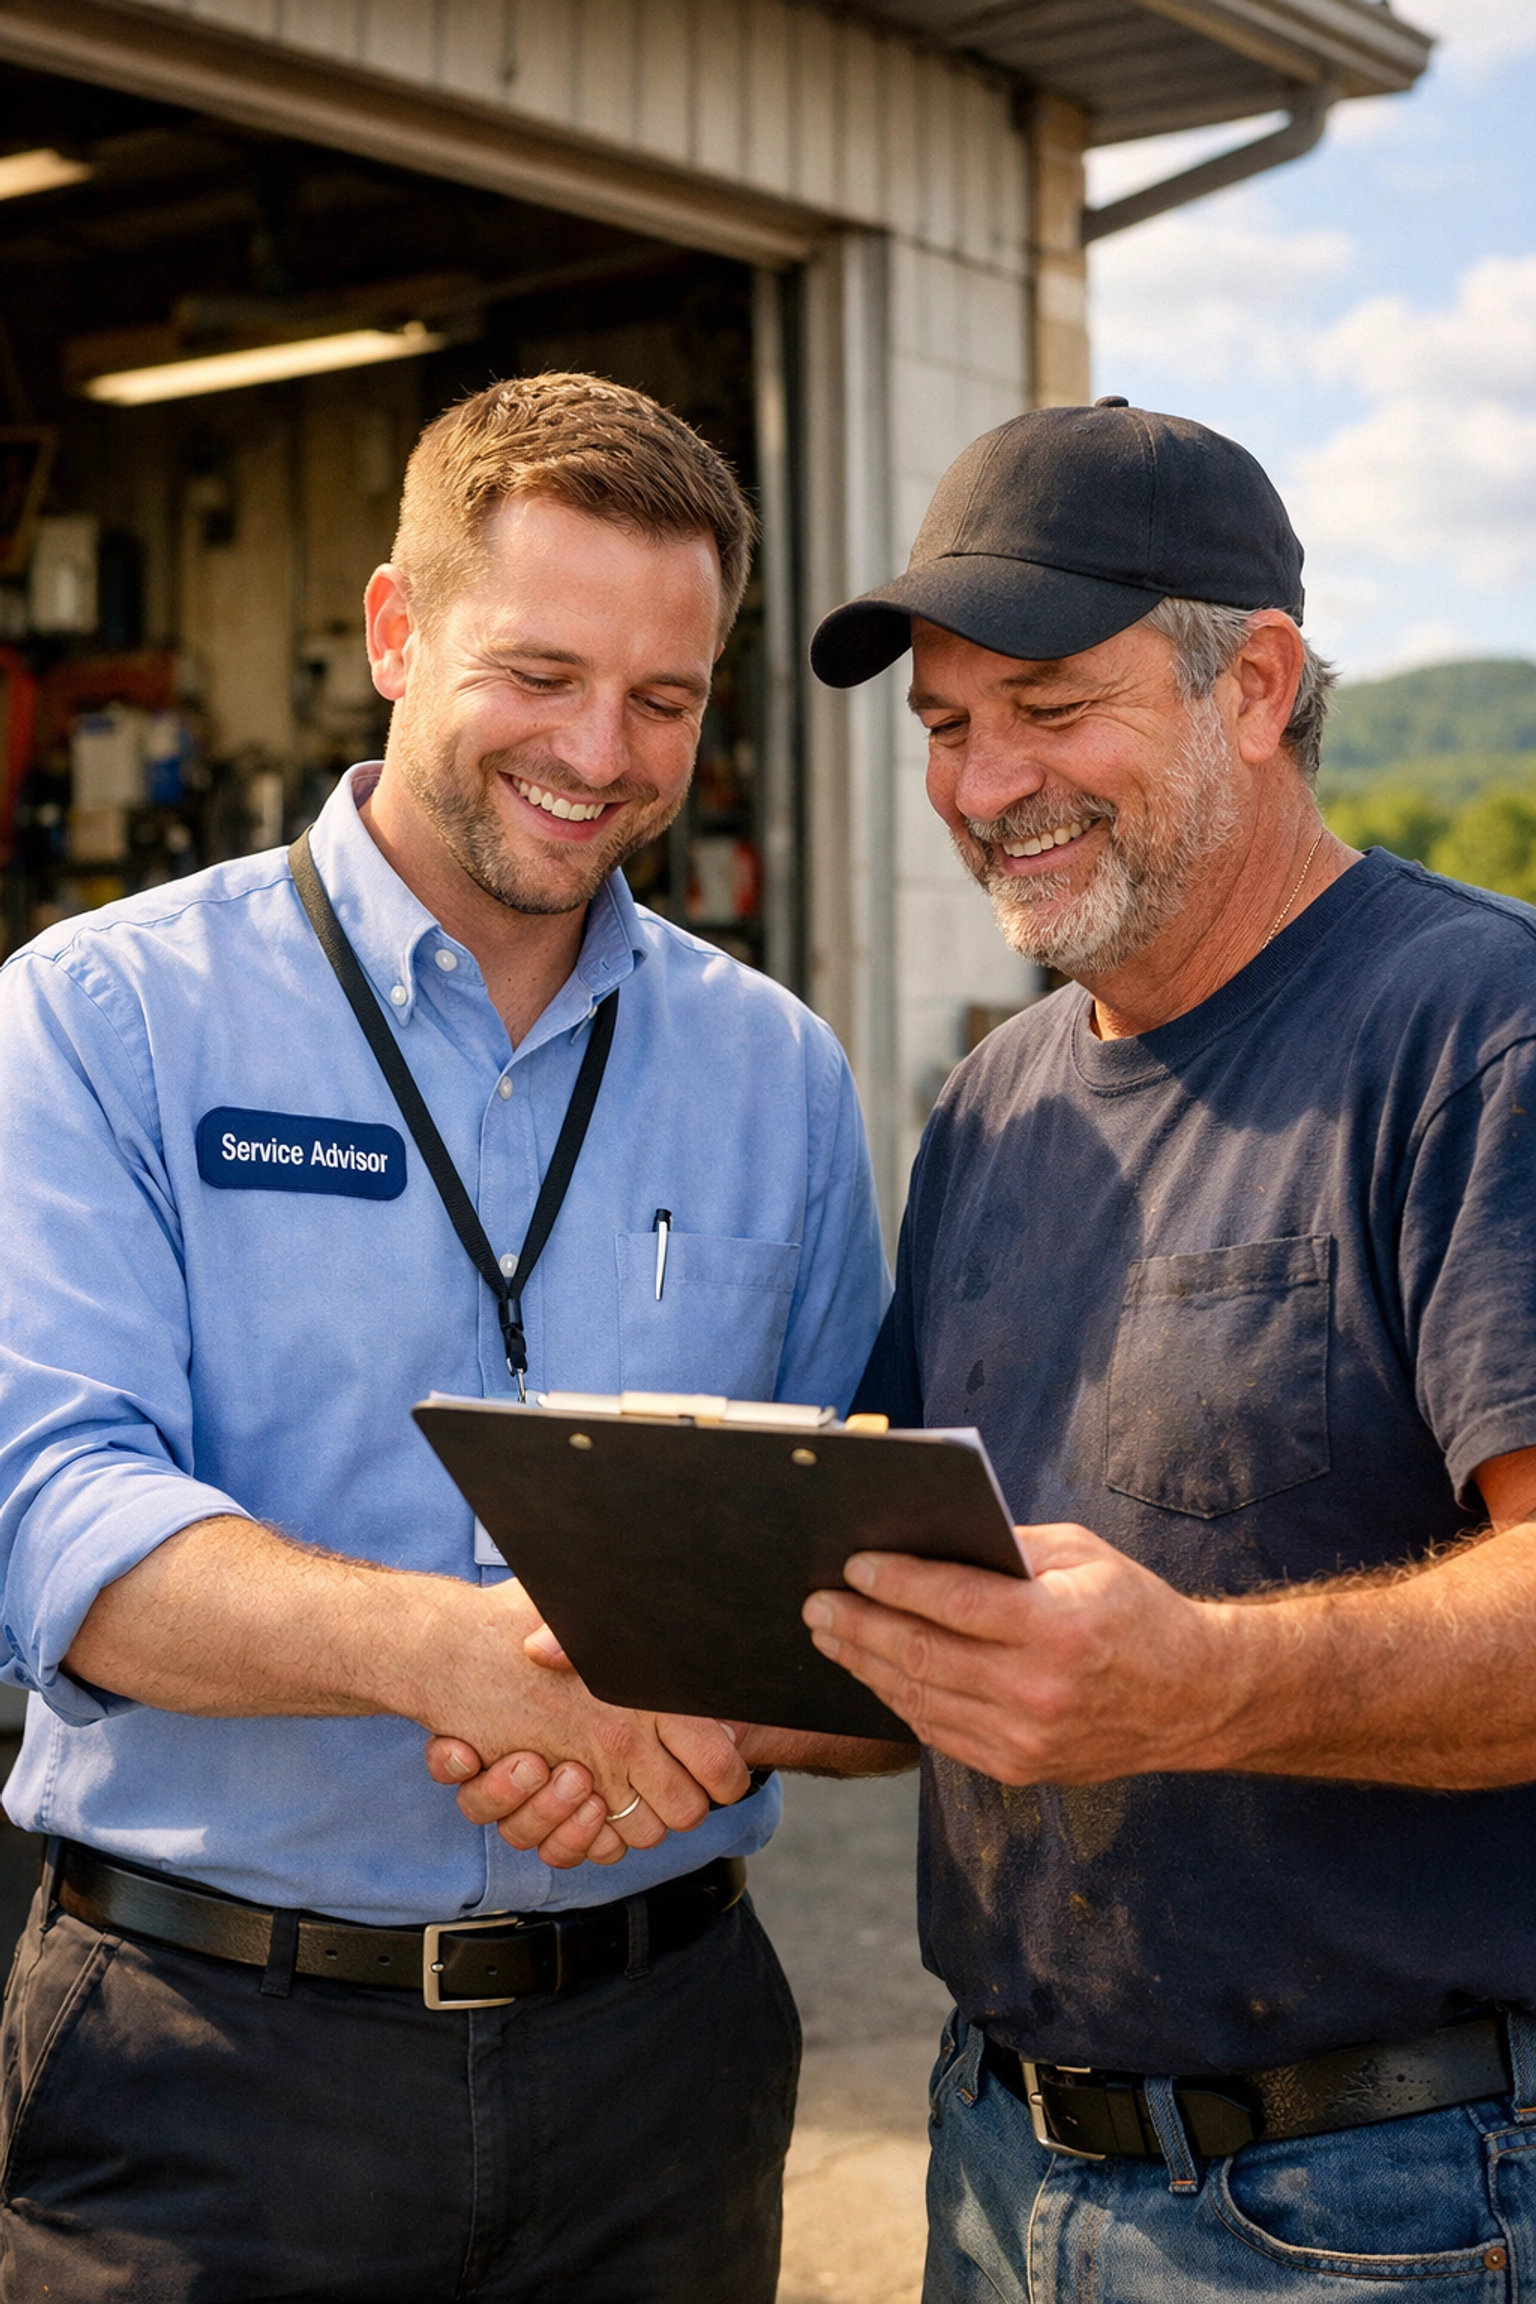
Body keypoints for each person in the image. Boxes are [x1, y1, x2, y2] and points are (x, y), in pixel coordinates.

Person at [0, 373, 893, 2303]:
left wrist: (696, 1711)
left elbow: (858, 1576)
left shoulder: (778, 1077)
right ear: (399, 635)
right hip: (209, 2071)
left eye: (666, 700)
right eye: (542, 673)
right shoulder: (104, 1023)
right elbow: (49, 1530)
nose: (600, 750)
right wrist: (478, 1664)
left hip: (663, 2070)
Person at [797, 398, 1536, 2299]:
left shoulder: (1473, 1038)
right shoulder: (993, 1108)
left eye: (1051, 708)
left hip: (1382, 2204)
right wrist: (629, 1686)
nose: (981, 787)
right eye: (946, 727)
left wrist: (1199, 1681)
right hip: (993, 2165)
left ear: (1257, 687)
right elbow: (920, 1634)